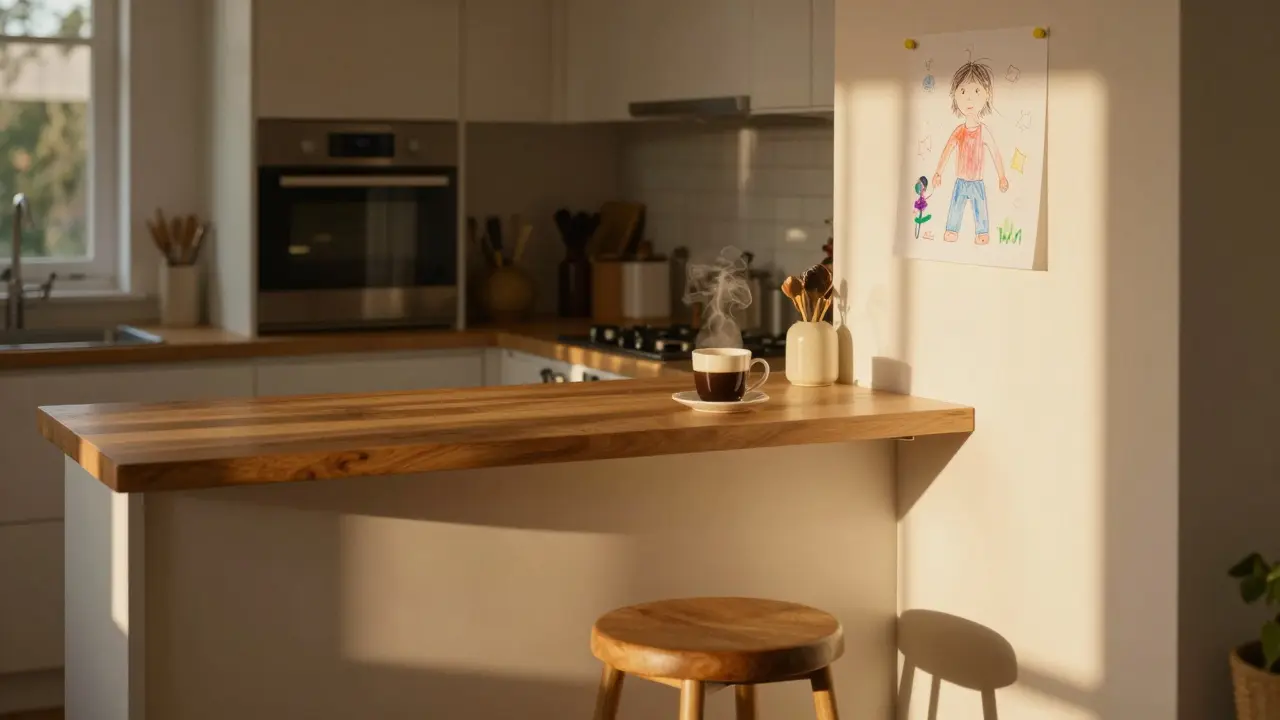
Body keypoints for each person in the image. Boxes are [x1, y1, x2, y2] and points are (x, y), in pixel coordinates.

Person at [931, 60, 1009, 245]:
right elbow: (947, 150)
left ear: (987, 94)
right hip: (961, 181)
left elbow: (995, 153)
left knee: (980, 207)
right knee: (956, 206)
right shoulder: (959, 131)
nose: (969, 100)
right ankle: (951, 229)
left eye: (976, 92)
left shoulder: (984, 131)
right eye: (963, 92)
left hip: (977, 182)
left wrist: (1002, 176)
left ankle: (982, 232)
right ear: (955, 96)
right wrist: (938, 172)